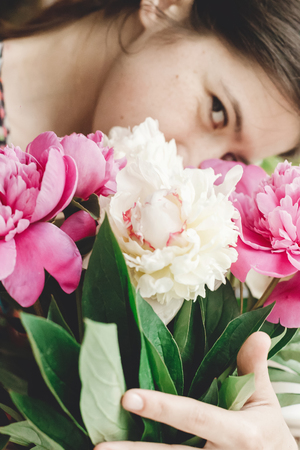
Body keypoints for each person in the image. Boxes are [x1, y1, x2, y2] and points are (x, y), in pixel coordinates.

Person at [1, 0, 300, 448]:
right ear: (166, 5)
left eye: (234, 159)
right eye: (217, 111)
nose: (193, 164)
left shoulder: (191, 275)